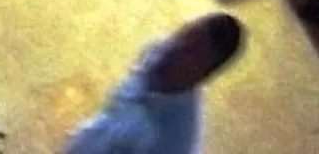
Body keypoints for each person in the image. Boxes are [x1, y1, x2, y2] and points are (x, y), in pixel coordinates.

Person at [61, 12, 245, 153]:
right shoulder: (155, 50)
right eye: (184, 32)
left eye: (191, 51)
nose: (175, 47)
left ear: (203, 76)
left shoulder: (173, 140)